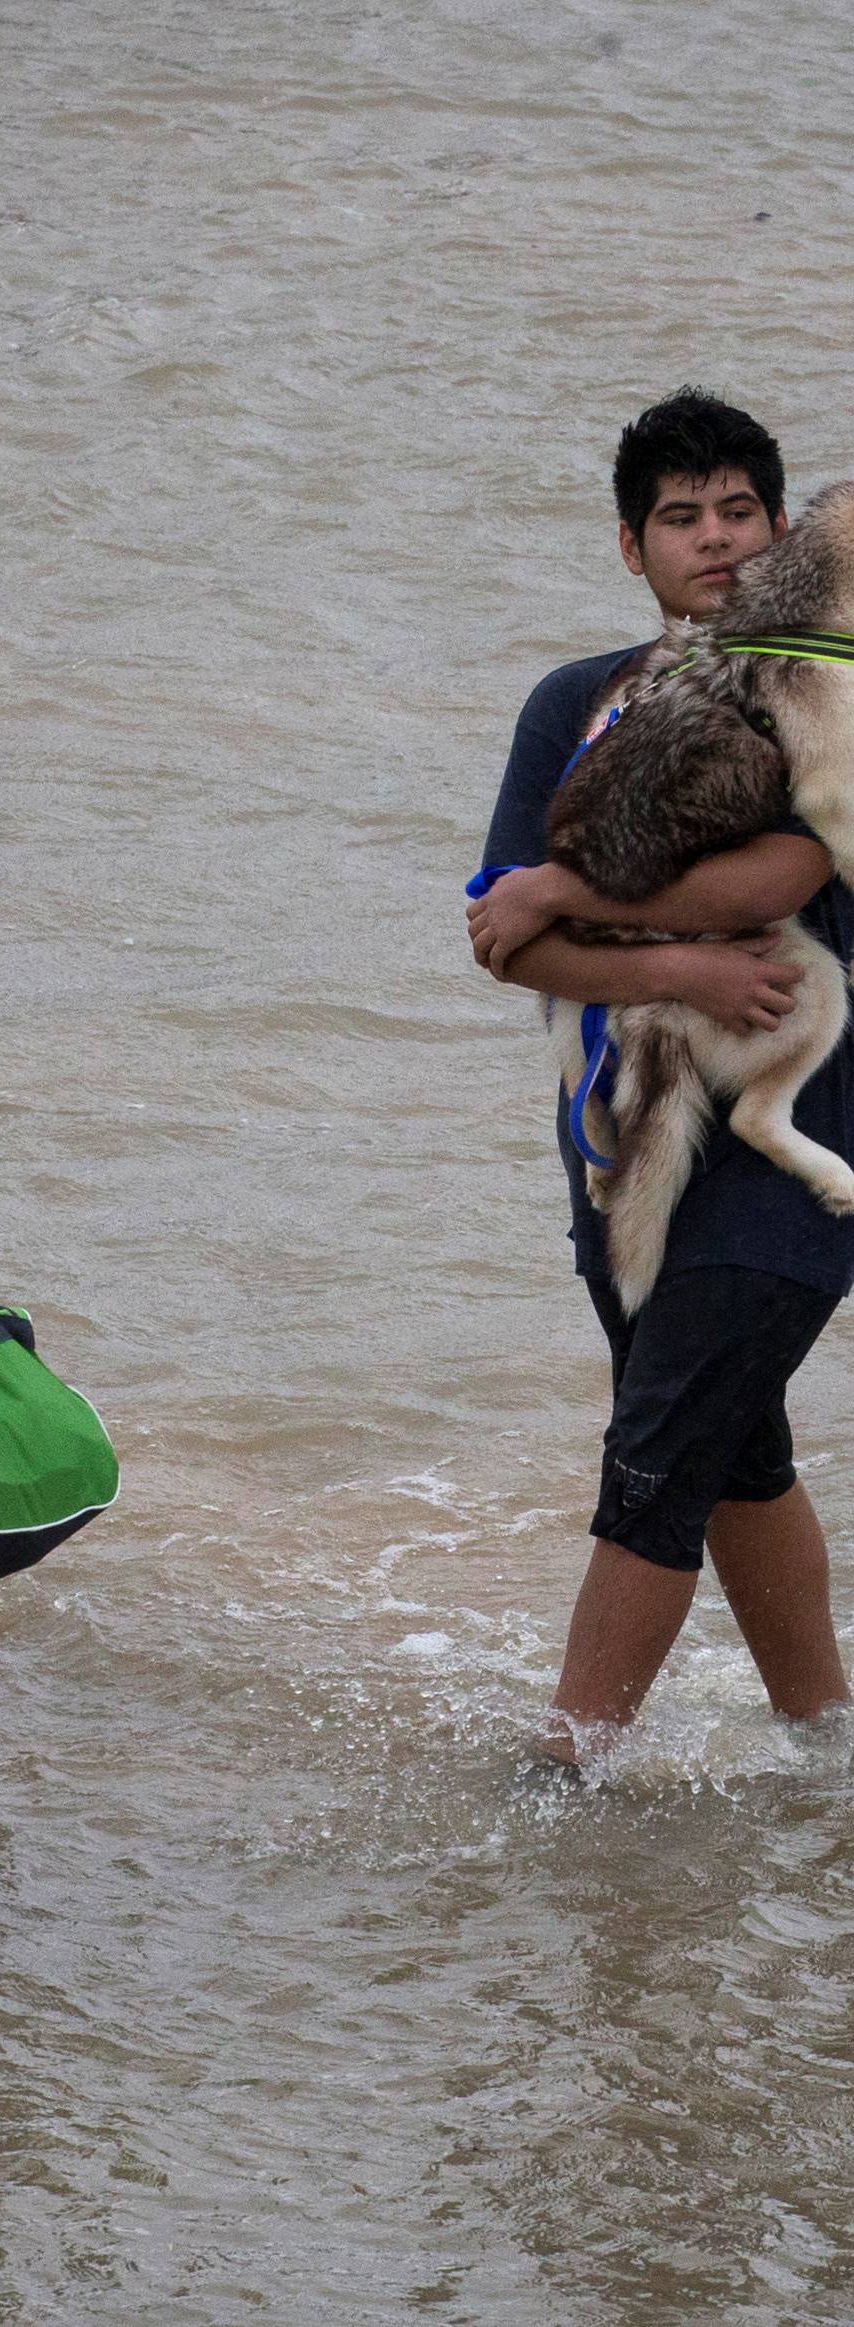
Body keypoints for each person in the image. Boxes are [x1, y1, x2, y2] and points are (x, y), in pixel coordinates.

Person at [465, 386, 853, 1761]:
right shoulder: (573, 702)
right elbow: (506, 934)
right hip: (621, 1148)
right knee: (734, 1445)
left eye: (740, 509)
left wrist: (574, 888)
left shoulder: (829, 683)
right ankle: (827, 1745)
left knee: (661, 1448)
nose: (715, 538)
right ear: (632, 547)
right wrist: (676, 969)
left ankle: (565, 1766)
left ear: (782, 528)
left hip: (802, 1153)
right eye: (680, 516)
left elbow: (794, 868)